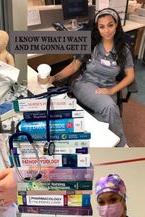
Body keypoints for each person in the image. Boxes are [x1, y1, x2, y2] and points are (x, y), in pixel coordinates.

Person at [49, 8, 135, 147]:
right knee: (110, 108)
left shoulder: (122, 49)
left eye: (110, 25)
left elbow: (130, 76)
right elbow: (74, 66)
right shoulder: (91, 45)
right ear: (97, 28)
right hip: (86, 84)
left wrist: (112, 90)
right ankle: (122, 146)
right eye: (102, 27)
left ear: (117, 25)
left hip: (108, 88)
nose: (106, 30)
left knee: (103, 122)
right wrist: (54, 77)